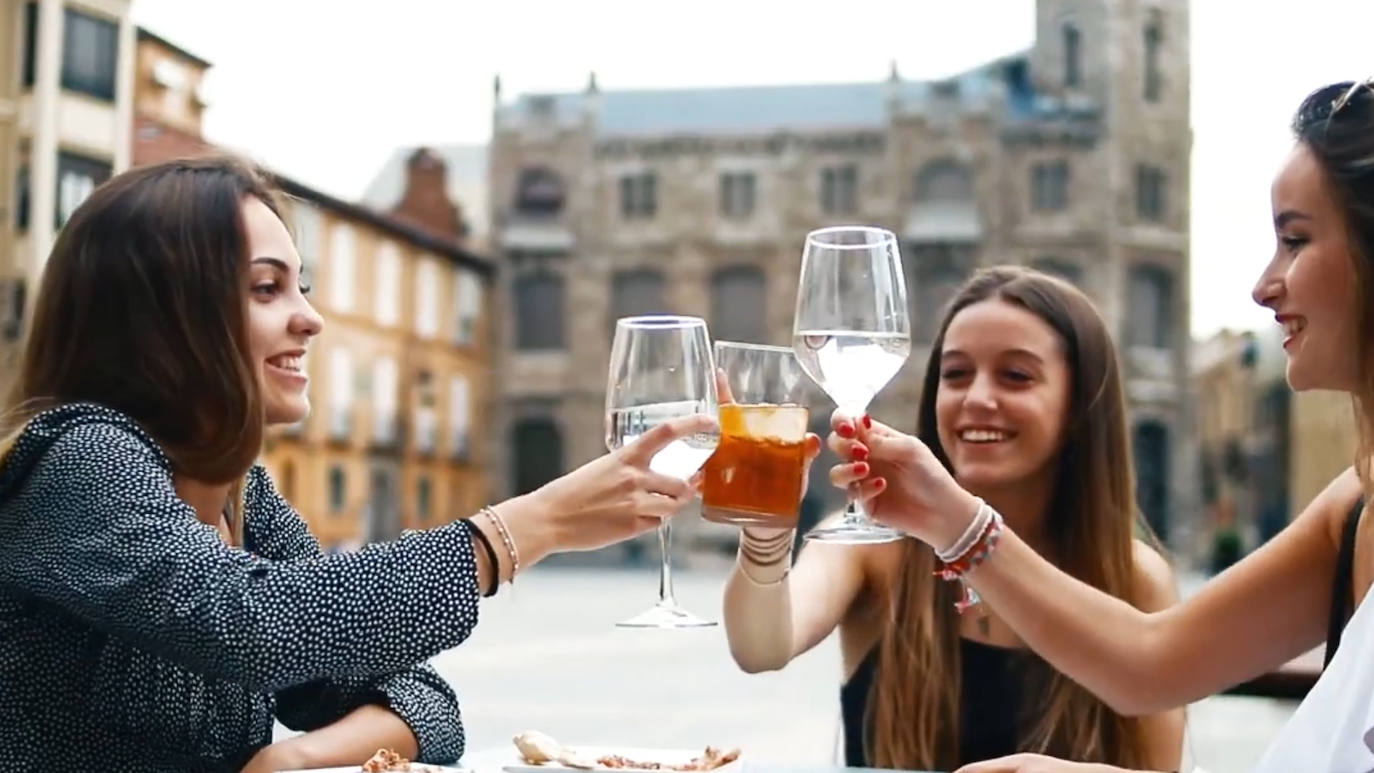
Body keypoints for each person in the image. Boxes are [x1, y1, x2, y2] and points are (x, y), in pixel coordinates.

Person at [0, 156, 712, 773]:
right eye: (266, 288)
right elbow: (252, 626)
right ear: (164, 315)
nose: (309, 318)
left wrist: (293, 756)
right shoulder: (77, 458)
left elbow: (424, 702)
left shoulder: (240, 499)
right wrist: (520, 529)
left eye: (300, 286)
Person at [827, 80, 1374, 773]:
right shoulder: (1355, 506)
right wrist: (950, 516)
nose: (1264, 285)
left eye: (1296, 240)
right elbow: (1151, 661)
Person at [723, 267, 1184, 771]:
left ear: (1079, 405)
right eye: (956, 373)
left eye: (1016, 376)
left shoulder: (1133, 578)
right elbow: (760, 646)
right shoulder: (873, 549)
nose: (977, 398)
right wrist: (765, 528)